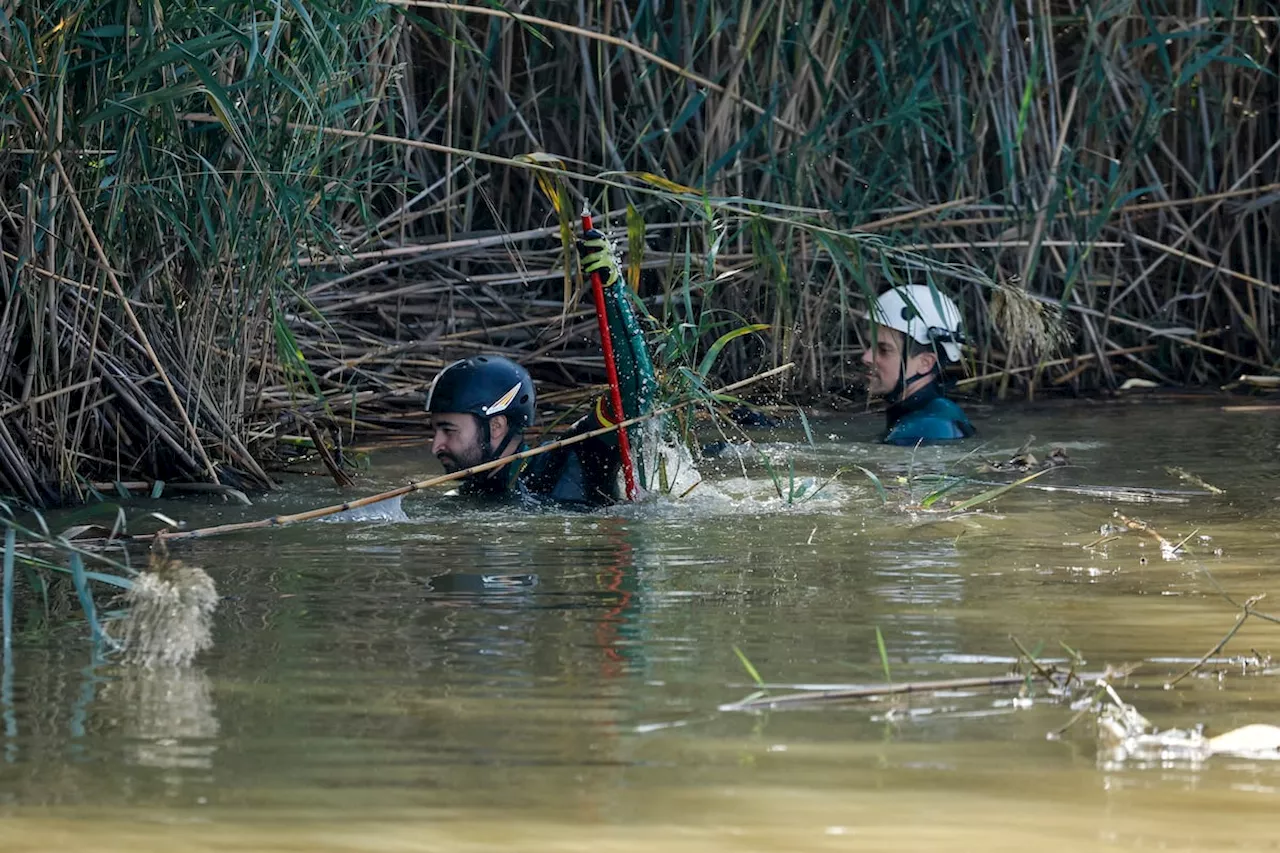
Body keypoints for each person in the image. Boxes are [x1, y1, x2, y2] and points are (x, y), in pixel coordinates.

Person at [425, 229, 656, 506]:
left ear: (496, 426)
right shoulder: (463, 497)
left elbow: (636, 389)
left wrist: (612, 290)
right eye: (436, 431)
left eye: (449, 430)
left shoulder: (575, 456)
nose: (436, 445)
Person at [861, 284, 974, 445]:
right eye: (869, 346)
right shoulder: (935, 415)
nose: (866, 357)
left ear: (925, 363)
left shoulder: (926, 427)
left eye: (884, 350)